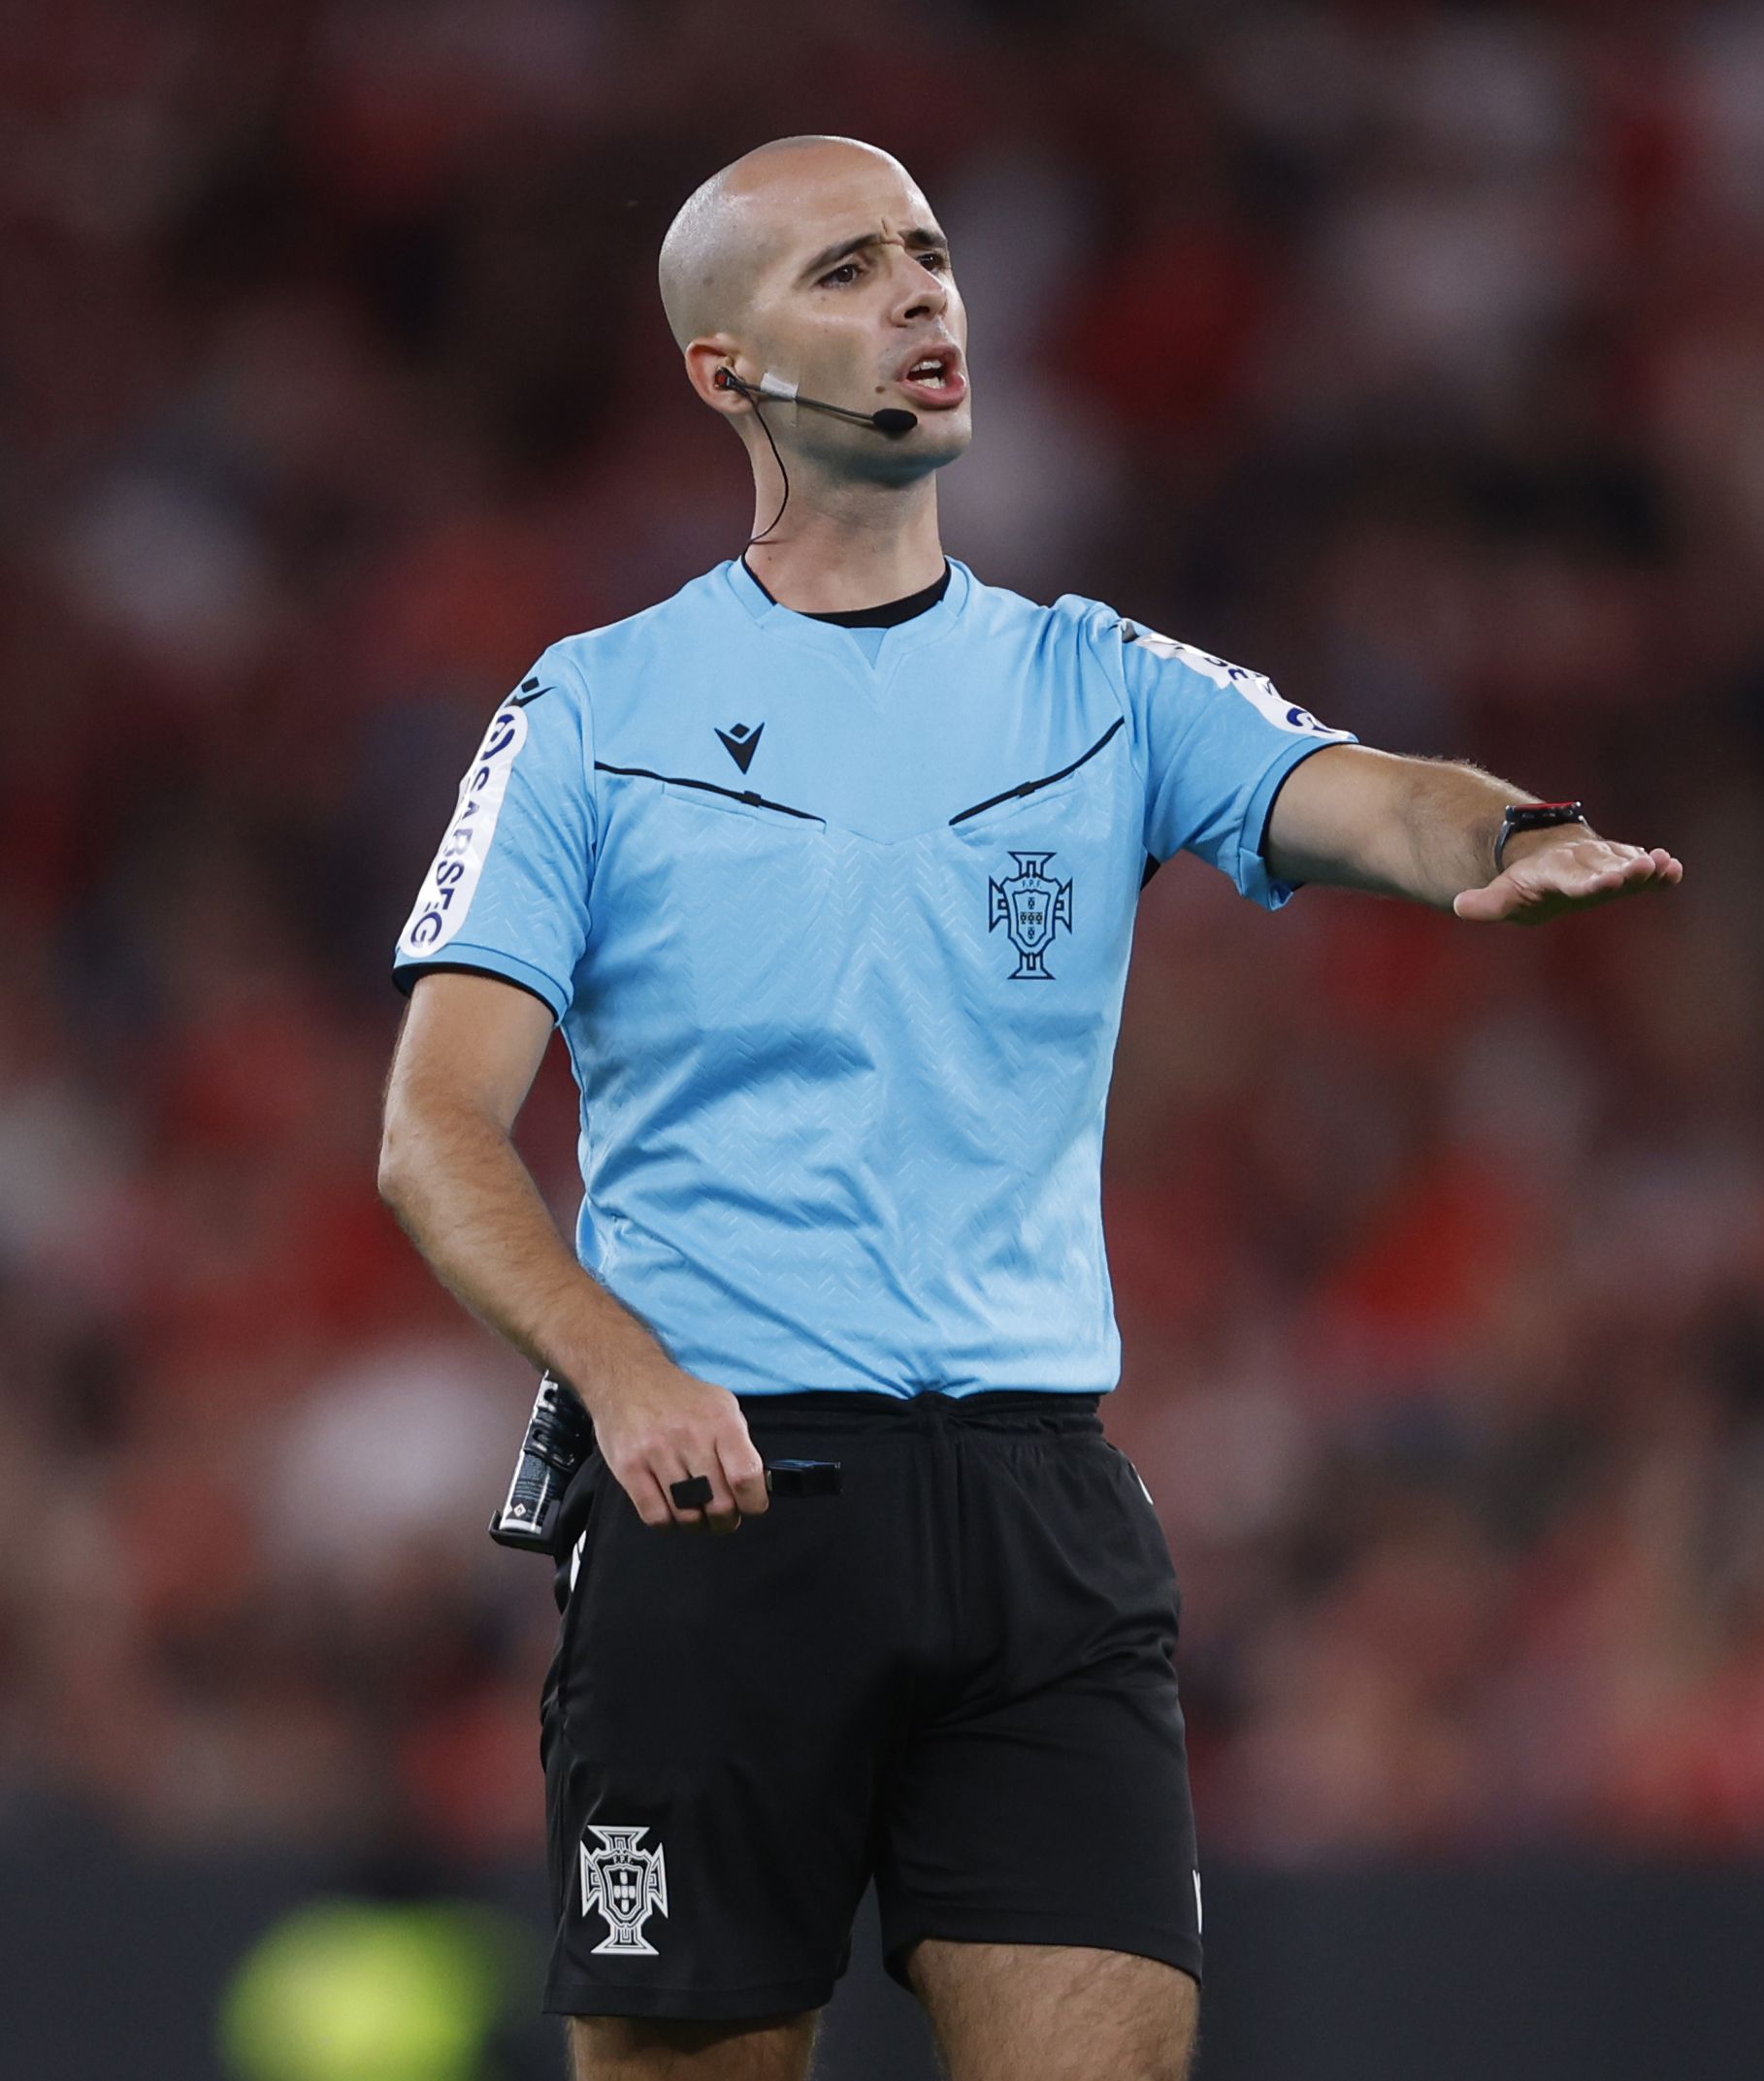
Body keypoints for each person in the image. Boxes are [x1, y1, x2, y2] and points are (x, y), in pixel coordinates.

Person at [374, 135, 1681, 2081]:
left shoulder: (1098, 681)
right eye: (846, 271)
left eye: (928, 255)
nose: (921, 298)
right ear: (725, 369)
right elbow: (435, 1132)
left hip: (1038, 1516)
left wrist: (1504, 829)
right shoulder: (590, 711)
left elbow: (1381, 794)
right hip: (723, 1501)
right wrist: (620, 1371)